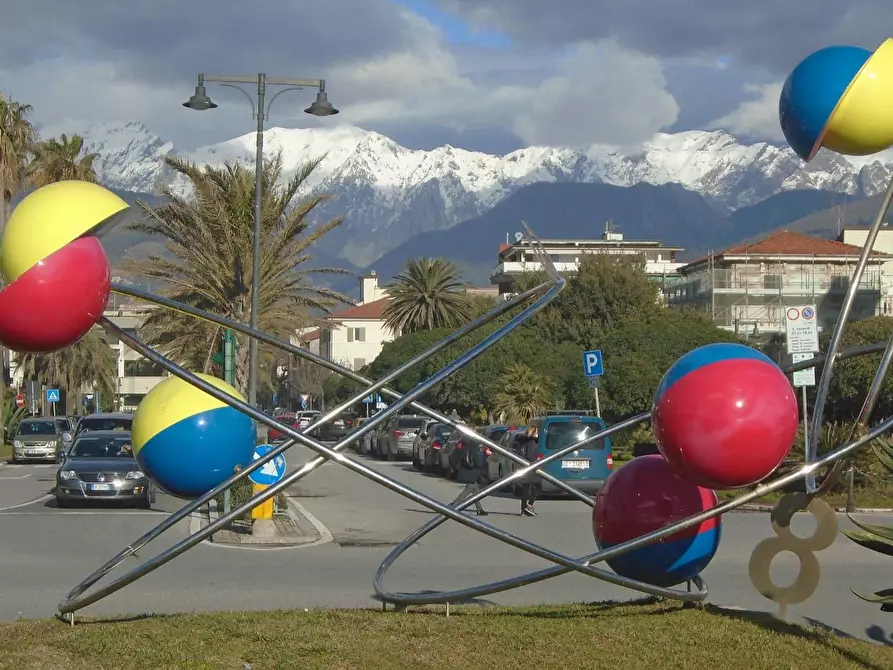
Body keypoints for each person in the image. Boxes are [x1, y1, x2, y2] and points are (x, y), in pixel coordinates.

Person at [450, 438, 488, 516]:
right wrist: (485, 455)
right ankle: (454, 505)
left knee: (475, 491)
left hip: (466, 471)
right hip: (472, 473)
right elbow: (479, 463)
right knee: (469, 490)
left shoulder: (466, 446)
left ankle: (479, 509)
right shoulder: (475, 448)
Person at [518, 425, 541, 516]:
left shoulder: (523, 441)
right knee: (537, 487)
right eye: (537, 432)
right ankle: (529, 505)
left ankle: (524, 509)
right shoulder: (532, 442)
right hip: (531, 467)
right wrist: (538, 460)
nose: (538, 434)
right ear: (533, 432)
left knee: (526, 489)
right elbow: (530, 455)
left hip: (524, 467)